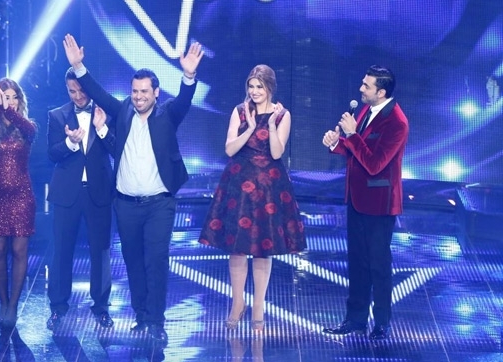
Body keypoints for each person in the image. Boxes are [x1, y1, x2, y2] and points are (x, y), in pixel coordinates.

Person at [62, 33, 204, 344]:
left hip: (159, 204)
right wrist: (79, 67)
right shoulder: (123, 110)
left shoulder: (168, 114)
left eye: (144, 92)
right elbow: (98, 93)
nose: (138, 97)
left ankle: (156, 320)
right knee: (133, 261)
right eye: (135, 91)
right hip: (125, 204)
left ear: (156, 93)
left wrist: (188, 75)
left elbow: (184, 100)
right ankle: (141, 316)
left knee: (156, 260)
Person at [198, 65, 306, 332]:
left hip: (268, 187)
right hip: (239, 186)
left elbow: (277, 153)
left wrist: (270, 125)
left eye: (260, 87)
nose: (255, 91)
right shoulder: (239, 111)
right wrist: (249, 126)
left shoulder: (282, 115)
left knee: (262, 248)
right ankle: (238, 303)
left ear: (270, 88)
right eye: (251, 86)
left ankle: (258, 306)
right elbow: (229, 149)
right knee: (237, 248)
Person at [321, 65, 409, 340]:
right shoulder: (366, 111)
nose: (361, 88)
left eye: (366, 86)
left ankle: (381, 322)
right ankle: (355, 319)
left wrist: (351, 135)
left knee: (378, 265)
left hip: (380, 204)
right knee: (357, 262)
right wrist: (336, 143)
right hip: (357, 199)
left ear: (381, 92)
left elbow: (375, 163)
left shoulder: (396, 122)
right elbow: (356, 151)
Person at [45, 66, 116, 330]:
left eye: (81, 90)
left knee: (101, 251)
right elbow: (51, 153)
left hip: (99, 192)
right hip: (67, 194)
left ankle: (101, 307)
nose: (77, 96)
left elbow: (118, 149)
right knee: (61, 251)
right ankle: (58, 306)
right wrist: (70, 143)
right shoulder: (57, 115)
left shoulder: (106, 113)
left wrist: (101, 128)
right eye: (72, 91)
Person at [0, 78, 37, 329]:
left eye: (15, 97)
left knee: (19, 251)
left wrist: (7, 110)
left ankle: (13, 305)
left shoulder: (26, 127)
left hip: (21, 197)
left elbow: (29, 130)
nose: (11, 102)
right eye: (6, 97)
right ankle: (3, 302)